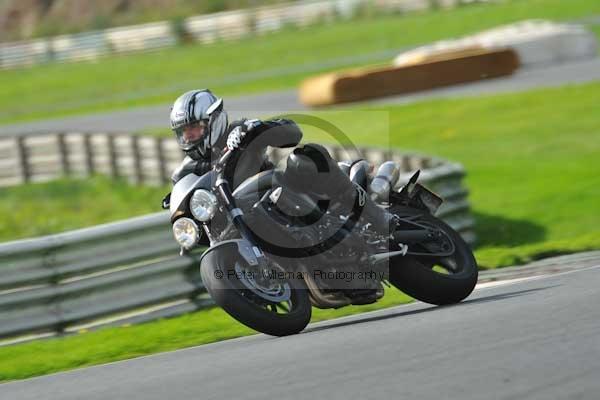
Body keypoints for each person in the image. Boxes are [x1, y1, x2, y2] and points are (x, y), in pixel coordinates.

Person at [167, 89, 396, 234]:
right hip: (246, 223)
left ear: (213, 121)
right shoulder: (185, 172)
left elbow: (293, 134)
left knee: (305, 156)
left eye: (194, 129)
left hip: (283, 195)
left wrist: (258, 129)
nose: (189, 137)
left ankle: (376, 215)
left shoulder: (239, 133)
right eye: (184, 132)